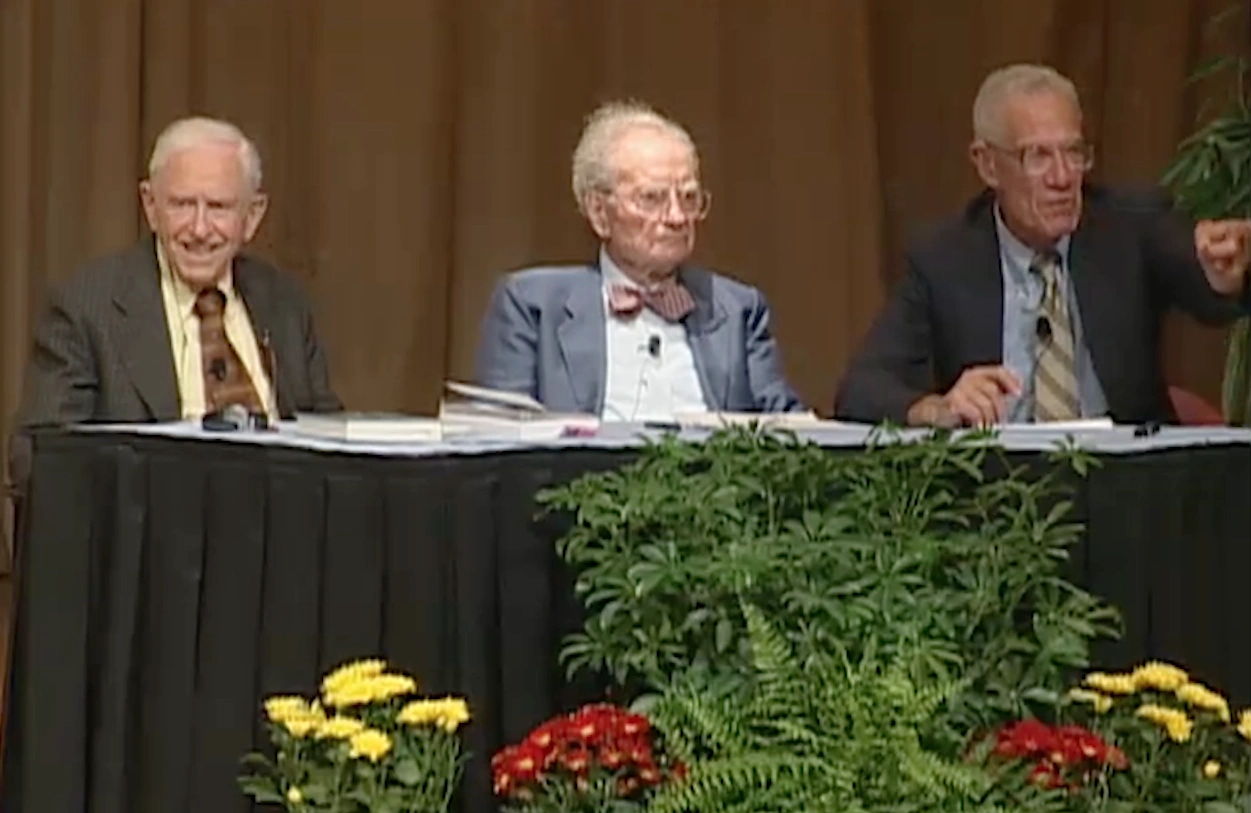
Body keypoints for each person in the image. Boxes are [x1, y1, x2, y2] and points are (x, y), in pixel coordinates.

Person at [834, 64, 1251, 428]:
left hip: (1123, 493)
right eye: (1038, 156)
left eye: (1073, 152)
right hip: (1001, 500)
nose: (1063, 177)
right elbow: (862, 389)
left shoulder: (1129, 227)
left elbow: (1202, 284)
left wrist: (1223, 278)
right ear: (987, 164)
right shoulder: (944, 259)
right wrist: (935, 406)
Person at [474, 100, 803, 420]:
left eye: (689, 198)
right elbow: (503, 444)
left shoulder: (737, 309)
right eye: (652, 198)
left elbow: (789, 431)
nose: (677, 217)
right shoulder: (532, 306)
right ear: (599, 212)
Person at [16, 116, 342, 431]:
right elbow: (41, 459)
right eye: (183, 205)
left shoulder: (285, 306)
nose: (199, 229)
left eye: (218, 208)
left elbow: (331, 446)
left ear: (252, 216)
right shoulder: (86, 309)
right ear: (151, 206)